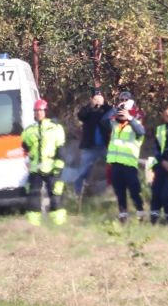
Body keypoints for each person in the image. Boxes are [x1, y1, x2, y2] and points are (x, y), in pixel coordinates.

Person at [20, 98, 67, 226]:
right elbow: (24, 148)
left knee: (55, 195)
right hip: (35, 169)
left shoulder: (56, 128)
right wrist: (27, 161)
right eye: (36, 110)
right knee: (33, 197)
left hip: (52, 168)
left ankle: (59, 224)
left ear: (45, 111)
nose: (38, 113)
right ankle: (33, 226)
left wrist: (58, 168)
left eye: (41, 110)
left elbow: (61, 150)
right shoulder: (29, 130)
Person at [105, 100, 146, 224]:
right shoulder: (114, 125)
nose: (121, 114)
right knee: (120, 192)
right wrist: (115, 108)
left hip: (129, 165)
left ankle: (140, 211)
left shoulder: (135, 126)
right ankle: (123, 216)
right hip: (116, 165)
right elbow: (103, 120)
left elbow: (141, 132)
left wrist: (129, 117)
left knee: (134, 192)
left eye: (124, 111)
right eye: (120, 112)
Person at [74, 89, 112, 199]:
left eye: (100, 97)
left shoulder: (107, 110)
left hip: (105, 146)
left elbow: (112, 114)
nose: (98, 100)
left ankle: (112, 192)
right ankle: (78, 194)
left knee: (114, 168)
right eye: (95, 98)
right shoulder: (87, 110)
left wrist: (103, 105)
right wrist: (91, 106)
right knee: (83, 171)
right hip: (90, 147)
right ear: (91, 99)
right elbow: (81, 115)